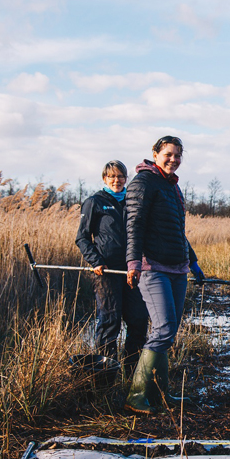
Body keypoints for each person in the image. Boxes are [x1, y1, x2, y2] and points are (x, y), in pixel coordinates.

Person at [124, 135, 206, 415]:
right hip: (152, 267)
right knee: (163, 329)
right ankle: (136, 395)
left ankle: (161, 394)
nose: (174, 159)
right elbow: (134, 224)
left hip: (176, 268)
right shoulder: (143, 183)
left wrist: (192, 261)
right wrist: (133, 262)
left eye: (178, 155)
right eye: (168, 154)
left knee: (168, 332)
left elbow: (176, 231)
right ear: (156, 154)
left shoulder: (172, 186)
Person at [75, 160, 149, 378]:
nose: (117, 180)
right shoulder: (95, 202)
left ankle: (131, 371)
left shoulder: (132, 201)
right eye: (112, 177)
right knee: (110, 322)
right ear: (105, 178)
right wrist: (95, 261)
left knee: (138, 320)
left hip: (132, 270)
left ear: (126, 178)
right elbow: (82, 238)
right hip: (106, 272)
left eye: (120, 176)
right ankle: (106, 374)